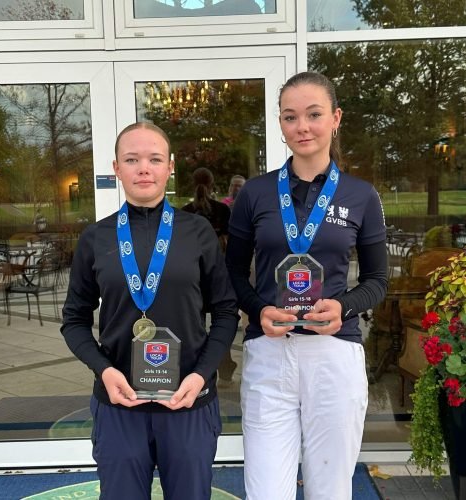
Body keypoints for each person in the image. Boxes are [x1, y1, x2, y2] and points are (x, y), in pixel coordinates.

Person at [226, 71, 387, 500]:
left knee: (330, 490)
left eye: (314, 114)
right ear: (280, 124)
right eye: (290, 116)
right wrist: (258, 309)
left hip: (334, 354)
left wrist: (344, 308)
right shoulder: (256, 194)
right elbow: (233, 275)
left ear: (335, 118)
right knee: (266, 491)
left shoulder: (361, 195)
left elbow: (377, 280)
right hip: (269, 352)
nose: (303, 127)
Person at [61, 122, 239, 500]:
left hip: (188, 401)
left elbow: (226, 312)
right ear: (117, 168)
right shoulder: (96, 237)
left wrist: (202, 375)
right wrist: (104, 370)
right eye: (132, 159)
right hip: (120, 403)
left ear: (170, 167)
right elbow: (73, 321)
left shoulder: (198, 232)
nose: (144, 168)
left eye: (154, 159)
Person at [182, 167, 237, 384]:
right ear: (213, 184)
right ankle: (224, 365)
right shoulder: (222, 211)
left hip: (193, 277)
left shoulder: (184, 213)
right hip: (219, 274)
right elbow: (229, 243)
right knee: (221, 321)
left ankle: (198, 371)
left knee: (196, 325)